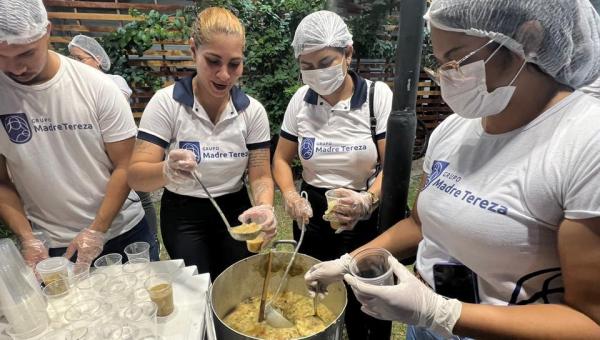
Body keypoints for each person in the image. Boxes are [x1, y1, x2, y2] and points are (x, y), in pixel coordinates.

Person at [304, 0, 600, 339]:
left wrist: (441, 311)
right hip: (427, 329)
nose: (447, 74)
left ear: (528, 39)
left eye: (457, 58)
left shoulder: (586, 141)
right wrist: (347, 262)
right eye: (441, 62)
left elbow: (589, 322)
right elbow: (420, 223)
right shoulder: (454, 130)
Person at [0, 0, 159, 271]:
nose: (15, 68)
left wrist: (97, 230)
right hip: (51, 243)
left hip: (122, 231)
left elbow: (124, 165)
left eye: (26, 54)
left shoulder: (97, 87)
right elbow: (2, 181)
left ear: (47, 32)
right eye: (1, 57)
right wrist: (27, 237)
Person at [128, 7, 276, 281]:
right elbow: (137, 176)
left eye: (234, 64)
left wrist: (265, 206)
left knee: (236, 287)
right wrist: (166, 170)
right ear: (193, 50)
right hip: (184, 215)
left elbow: (261, 174)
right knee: (197, 290)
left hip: (236, 209)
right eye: (213, 61)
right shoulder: (166, 104)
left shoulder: (252, 111)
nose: (224, 75)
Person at [272, 10, 393, 339]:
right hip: (312, 217)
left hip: (362, 218)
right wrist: (289, 195)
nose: (316, 73)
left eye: (325, 62)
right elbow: (281, 159)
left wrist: (367, 200)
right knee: (317, 297)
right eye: (306, 66)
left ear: (348, 53)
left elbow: (392, 164)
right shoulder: (300, 100)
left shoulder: (375, 97)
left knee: (367, 304)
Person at [67, 34, 159, 244]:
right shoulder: (73, 89)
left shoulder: (114, 83)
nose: (75, 65)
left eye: (80, 59)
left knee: (141, 196)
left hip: (125, 151)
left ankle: (152, 236)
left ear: (97, 59)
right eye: (71, 59)